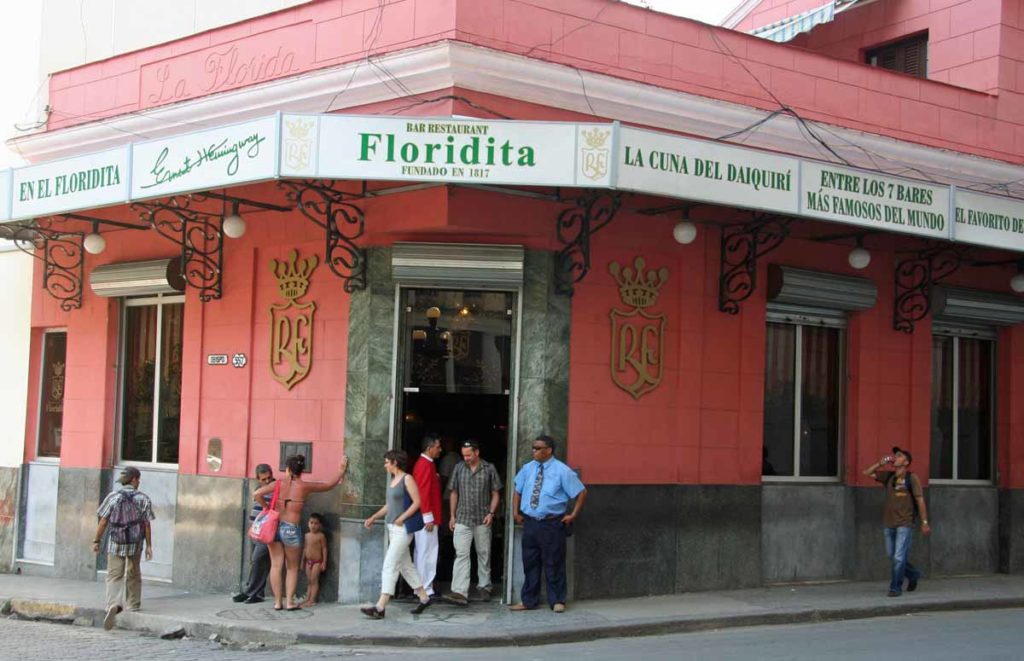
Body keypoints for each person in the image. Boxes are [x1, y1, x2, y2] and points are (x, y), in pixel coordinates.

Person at [252, 453, 348, 611]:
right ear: (301, 471)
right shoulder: (305, 487)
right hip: (291, 528)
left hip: (275, 526)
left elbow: (257, 494)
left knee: (276, 565)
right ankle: (289, 602)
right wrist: (340, 470)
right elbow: (329, 485)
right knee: (292, 567)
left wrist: (267, 507)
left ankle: (277, 602)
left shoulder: (278, 484)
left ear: (288, 469)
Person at [511, 434, 586, 613]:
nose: (533, 451)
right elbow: (517, 490)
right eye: (533, 448)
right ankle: (529, 600)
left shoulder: (562, 470)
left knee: (554, 562)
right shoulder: (528, 468)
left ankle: (558, 600)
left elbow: (581, 492)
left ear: (549, 450)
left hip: (551, 524)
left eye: (538, 448)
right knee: (530, 562)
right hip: (531, 523)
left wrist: (573, 514)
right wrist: (515, 512)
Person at [361, 450, 433, 619]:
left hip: (403, 529)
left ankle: (380, 606)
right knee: (405, 565)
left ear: (395, 462)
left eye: (387, 462)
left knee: (390, 564)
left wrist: (402, 517)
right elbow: (389, 506)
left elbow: (417, 502)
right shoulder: (393, 481)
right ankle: (424, 598)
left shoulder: (407, 479)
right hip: (392, 528)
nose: (385, 465)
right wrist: (374, 517)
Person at [91, 466, 155, 631]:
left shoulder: (113, 497)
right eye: (138, 479)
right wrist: (149, 546)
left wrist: (96, 540)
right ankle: (133, 604)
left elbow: (103, 521)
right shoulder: (144, 499)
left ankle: (113, 604)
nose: (138, 481)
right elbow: (146, 524)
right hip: (135, 543)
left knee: (114, 575)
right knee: (134, 572)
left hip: (116, 542)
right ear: (134, 479)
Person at [862, 446, 932, 597]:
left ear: (906, 462)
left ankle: (895, 587)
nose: (895, 457)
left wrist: (925, 522)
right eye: (895, 455)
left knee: (899, 557)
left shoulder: (911, 478)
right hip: (889, 522)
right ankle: (913, 574)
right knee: (891, 555)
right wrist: (880, 463)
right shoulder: (889, 477)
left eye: (899, 456)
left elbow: (920, 500)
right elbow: (867, 473)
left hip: (905, 523)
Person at [445, 439, 503, 605]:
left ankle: (484, 587)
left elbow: (496, 493)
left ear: (477, 452)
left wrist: (491, 513)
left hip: (482, 518)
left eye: (469, 455)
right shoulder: (458, 468)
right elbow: (454, 493)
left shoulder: (489, 468)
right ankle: (459, 591)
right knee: (461, 554)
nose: (466, 458)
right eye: (464, 455)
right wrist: (452, 515)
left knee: (483, 553)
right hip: (462, 517)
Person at [233, 463, 275, 604]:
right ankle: (257, 593)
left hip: (266, 530)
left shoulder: (275, 488)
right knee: (257, 561)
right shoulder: (259, 488)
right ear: (258, 479)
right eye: (263, 479)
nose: (267, 481)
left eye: (269, 478)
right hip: (256, 529)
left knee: (258, 559)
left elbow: (270, 508)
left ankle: (248, 591)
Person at [412, 433, 443, 600]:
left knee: (423, 553)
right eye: (437, 447)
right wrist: (428, 518)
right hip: (427, 518)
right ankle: (426, 588)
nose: (440, 450)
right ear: (429, 448)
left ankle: (421, 587)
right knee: (427, 553)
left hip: (425, 516)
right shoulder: (425, 465)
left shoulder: (426, 464)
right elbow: (423, 493)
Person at [300, 513, 328, 607]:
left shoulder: (321, 536)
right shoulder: (306, 535)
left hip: (317, 562)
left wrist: (324, 562)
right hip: (308, 562)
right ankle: (307, 598)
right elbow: (304, 549)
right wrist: (302, 561)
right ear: (308, 523)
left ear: (320, 525)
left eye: (316, 523)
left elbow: (324, 549)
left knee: (314, 580)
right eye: (311, 523)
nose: (313, 526)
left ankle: (312, 600)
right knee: (309, 581)